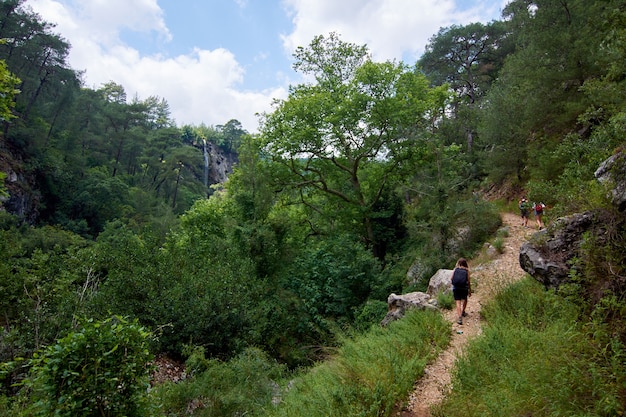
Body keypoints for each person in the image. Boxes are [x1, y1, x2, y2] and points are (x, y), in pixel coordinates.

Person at [451, 258, 471, 325]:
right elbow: (468, 281)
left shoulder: (456, 269)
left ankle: (459, 318)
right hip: (464, 288)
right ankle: (463, 312)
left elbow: (451, 278)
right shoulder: (467, 271)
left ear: (459, 263)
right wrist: (469, 290)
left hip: (456, 288)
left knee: (458, 302)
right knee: (465, 299)